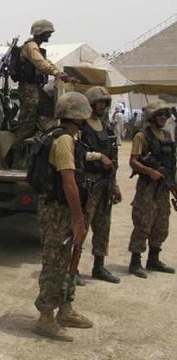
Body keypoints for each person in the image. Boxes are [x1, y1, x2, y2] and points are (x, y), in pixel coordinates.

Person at [33, 91, 94, 342]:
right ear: (79, 117)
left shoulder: (66, 138)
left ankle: (65, 309)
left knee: (70, 260)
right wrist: (79, 219)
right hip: (58, 211)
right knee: (54, 263)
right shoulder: (63, 141)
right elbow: (68, 183)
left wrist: (100, 157)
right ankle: (46, 317)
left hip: (61, 209)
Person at [11, 19, 75, 169]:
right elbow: (40, 63)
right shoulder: (31, 47)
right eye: (48, 33)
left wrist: (60, 73)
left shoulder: (36, 47)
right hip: (29, 88)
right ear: (41, 32)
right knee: (27, 123)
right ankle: (17, 159)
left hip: (35, 88)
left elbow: (47, 63)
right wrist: (57, 73)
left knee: (43, 119)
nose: (49, 36)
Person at [127, 99, 176, 278]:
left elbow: (171, 166)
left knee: (161, 224)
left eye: (165, 114)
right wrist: (149, 171)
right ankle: (135, 261)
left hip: (163, 188)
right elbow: (133, 161)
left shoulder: (168, 137)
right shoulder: (142, 136)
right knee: (143, 223)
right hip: (148, 187)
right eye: (160, 114)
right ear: (152, 117)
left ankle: (153, 259)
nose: (163, 117)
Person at [79, 87, 122, 284]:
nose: (102, 106)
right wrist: (98, 156)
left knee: (103, 227)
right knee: (81, 226)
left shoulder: (106, 127)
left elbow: (113, 159)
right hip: (88, 183)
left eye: (105, 102)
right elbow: (76, 154)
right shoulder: (81, 126)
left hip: (105, 183)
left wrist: (115, 185)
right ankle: (74, 267)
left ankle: (99, 265)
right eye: (99, 102)